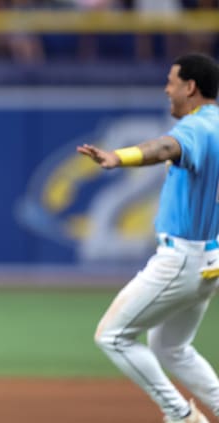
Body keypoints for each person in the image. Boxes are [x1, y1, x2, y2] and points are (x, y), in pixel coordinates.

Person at [78, 52, 219, 423]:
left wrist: (119, 157)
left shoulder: (197, 127)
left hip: (181, 259)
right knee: (170, 346)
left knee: (113, 336)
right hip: (209, 257)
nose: (166, 89)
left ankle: (179, 415)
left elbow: (164, 148)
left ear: (190, 87)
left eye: (171, 82)